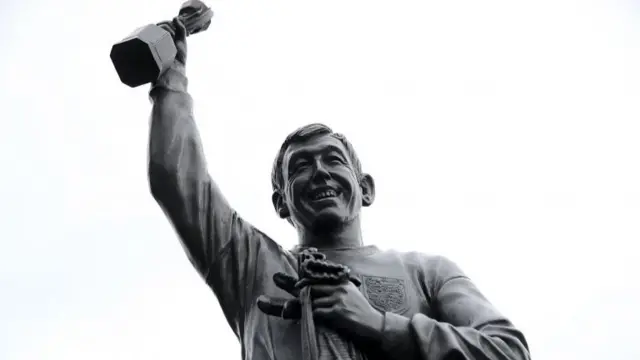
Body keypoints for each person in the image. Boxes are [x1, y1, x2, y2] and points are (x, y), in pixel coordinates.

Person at [148, 18, 531, 360]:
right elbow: (176, 178)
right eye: (300, 167)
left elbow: (508, 351)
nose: (318, 172)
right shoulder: (252, 267)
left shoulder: (427, 272)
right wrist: (171, 82)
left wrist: (377, 324)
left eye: (333, 159)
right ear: (281, 203)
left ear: (365, 189)